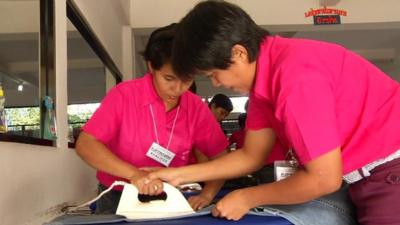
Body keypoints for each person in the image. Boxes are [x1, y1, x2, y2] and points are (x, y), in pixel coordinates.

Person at [142, 1, 400, 225]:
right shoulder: (266, 82)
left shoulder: (294, 79)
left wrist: (247, 197)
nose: (217, 84)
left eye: (213, 75)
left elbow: (324, 179)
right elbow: (250, 156)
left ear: (238, 53)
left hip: (390, 172)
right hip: (364, 179)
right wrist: (176, 174)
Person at [75, 23, 228, 214]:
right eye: (169, 79)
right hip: (119, 197)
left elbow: (221, 157)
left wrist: (207, 194)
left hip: (170, 197)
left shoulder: (195, 107)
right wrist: (134, 174)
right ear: (151, 66)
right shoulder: (125, 95)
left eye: (187, 79)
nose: (178, 89)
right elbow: (86, 143)